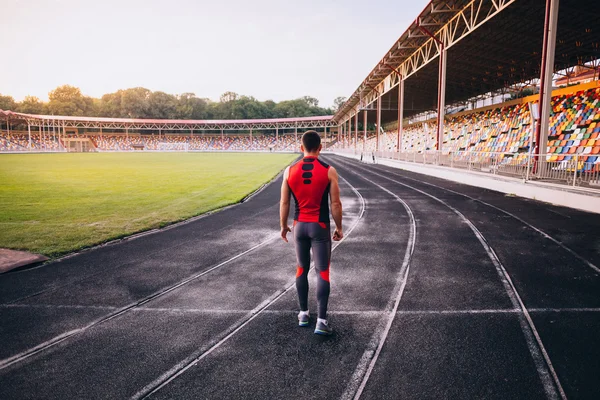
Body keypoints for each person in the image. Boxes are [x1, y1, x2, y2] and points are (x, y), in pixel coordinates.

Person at [279, 130, 343, 336]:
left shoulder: (289, 171)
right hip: (320, 226)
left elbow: (284, 202)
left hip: (299, 226)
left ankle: (304, 314)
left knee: (301, 269)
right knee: (322, 272)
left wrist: (283, 225)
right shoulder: (329, 170)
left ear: (301, 147)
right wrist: (339, 227)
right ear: (320, 148)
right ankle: (322, 321)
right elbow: (335, 203)